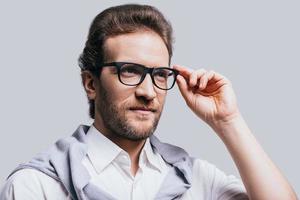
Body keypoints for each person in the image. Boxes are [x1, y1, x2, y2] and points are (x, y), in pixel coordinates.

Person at [0, 3, 297, 200]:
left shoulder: (195, 179)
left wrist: (227, 121)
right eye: (130, 71)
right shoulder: (36, 186)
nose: (148, 91)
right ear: (91, 84)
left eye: (159, 74)